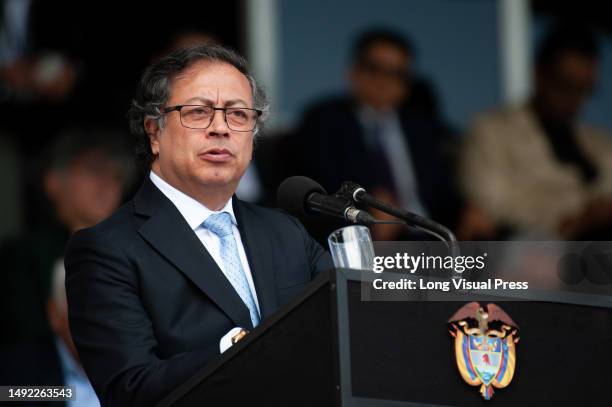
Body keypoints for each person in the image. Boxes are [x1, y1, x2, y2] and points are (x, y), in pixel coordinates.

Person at [64, 45, 333, 406]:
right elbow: (130, 389)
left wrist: (425, 308)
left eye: (238, 115)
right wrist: (235, 348)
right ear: (153, 131)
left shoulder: (285, 231)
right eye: (198, 112)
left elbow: (349, 323)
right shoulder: (106, 249)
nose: (220, 128)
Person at [292, 28, 462, 241]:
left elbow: (445, 192)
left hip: (430, 236)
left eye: (397, 74)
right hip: (365, 235)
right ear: (353, 72)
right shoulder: (324, 121)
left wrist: (474, 206)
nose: (385, 81)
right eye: (375, 69)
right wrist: (366, 208)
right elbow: (320, 187)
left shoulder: (424, 129)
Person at [460, 22, 612, 239]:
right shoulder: (492, 131)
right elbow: (486, 208)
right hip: (531, 254)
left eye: (585, 90)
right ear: (538, 74)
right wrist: (573, 220)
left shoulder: (600, 144)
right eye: (565, 85)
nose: (575, 99)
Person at [0, 128, 130, 349]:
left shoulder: (139, 249)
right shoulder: (21, 258)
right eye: (94, 170)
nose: (107, 182)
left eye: (116, 175)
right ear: (53, 182)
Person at [0, 259, 100, 407]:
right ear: (54, 313)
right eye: (82, 306)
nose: (96, 318)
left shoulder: (135, 363)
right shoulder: (17, 372)